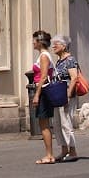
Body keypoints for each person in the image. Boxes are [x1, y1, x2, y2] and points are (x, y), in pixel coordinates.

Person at [50, 35, 81, 162]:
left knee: (66, 123)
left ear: (64, 46)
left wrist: (68, 95)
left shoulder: (70, 60)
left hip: (66, 95)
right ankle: (64, 150)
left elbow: (74, 78)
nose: (53, 46)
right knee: (57, 124)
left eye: (56, 44)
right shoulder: (59, 61)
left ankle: (73, 151)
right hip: (58, 95)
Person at [30, 30, 59, 164]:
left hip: (44, 91)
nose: (33, 43)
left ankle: (49, 155)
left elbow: (43, 76)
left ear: (39, 42)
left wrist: (37, 94)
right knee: (43, 123)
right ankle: (49, 154)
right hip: (43, 90)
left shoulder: (43, 56)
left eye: (34, 40)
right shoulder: (43, 55)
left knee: (44, 124)